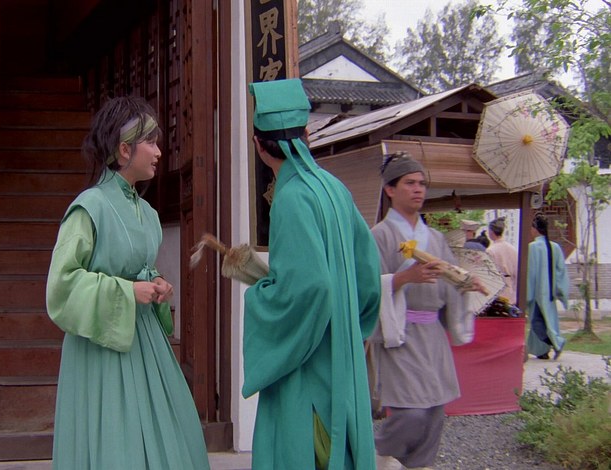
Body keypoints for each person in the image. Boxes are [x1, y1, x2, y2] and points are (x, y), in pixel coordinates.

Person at [44, 96, 209, 470]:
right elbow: (62, 284)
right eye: (150, 142)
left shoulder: (146, 212)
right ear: (123, 150)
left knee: (167, 430)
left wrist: (157, 282)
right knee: (115, 439)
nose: (159, 152)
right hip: (102, 344)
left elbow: (139, 267)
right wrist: (126, 291)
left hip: (146, 340)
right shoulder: (89, 207)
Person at [243, 78, 381, 470]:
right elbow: (369, 274)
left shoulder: (290, 197)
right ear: (307, 134)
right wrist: (352, 329)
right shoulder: (335, 188)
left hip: (308, 360)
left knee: (305, 452)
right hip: (341, 351)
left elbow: (311, 287)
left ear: (258, 145)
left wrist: (260, 294)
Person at [370, 152, 481, 470]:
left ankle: (418, 465)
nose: (418, 189)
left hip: (432, 334)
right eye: (409, 183)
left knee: (433, 413)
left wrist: (465, 283)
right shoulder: (379, 235)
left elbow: (448, 280)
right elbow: (367, 286)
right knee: (411, 413)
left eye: (421, 183)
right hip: (399, 333)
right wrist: (404, 278)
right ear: (390, 189)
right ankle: (374, 454)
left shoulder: (435, 238)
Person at [526, 213, 569, 360]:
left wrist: (527, 294)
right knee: (546, 321)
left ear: (535, 229)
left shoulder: (533, 247)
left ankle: (556, 343)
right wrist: (560, 291)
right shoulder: (554, 247)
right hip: (549, 293)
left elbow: (530, 273)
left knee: (537, 322)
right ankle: (542, 351)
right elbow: (561, 271)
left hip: (538, 292)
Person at [486, 217, 519, 305]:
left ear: (491, 232)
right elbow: (517, 272)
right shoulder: (512, 249)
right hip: (511, 290)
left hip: (496, 290)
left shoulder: (491, 251)